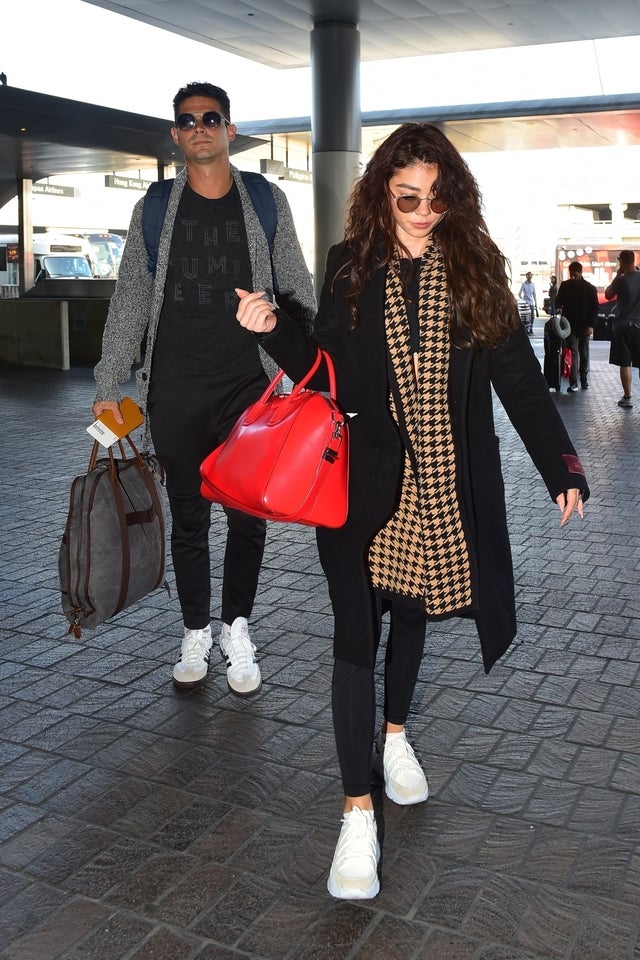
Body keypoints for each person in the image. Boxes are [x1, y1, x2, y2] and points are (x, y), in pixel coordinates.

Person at [235, 123, 589, 901]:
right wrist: (274, 330)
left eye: (437, 197)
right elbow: (321, 367)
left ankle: (394, 736)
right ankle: (355, 812)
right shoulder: (350, 267)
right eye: (407, 197)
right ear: (380, 193)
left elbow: (519, 378)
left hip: (443, 482)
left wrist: (561, 465)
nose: (424, 211)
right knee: (356, 632)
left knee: (414, 611)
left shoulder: (477, 268)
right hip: (358, 482)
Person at [92, 81, 316, 695]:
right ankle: (195, 629)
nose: (200, 128)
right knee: (188, 518)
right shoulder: (156, 208)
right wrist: (112, 379)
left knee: (248, 517)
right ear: (175, 134)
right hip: (175, 388)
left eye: (211, 118)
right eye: (188, 121)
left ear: (229, 129)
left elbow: (296, 281)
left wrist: (313, 361)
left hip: (250, 387)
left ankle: (236, 627)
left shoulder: (265, 201)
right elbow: (133, 298)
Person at [554, 261, 598, 392]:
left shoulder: (589, 288)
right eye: (571, 274)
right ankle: (573, 382)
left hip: (583, 325)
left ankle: (583, 379)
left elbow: (595, 308)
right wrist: (558, 307)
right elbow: (558, 301)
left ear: (580, 272)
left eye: (575, 274)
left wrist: (591, 325)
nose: (573, 277)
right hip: (570, 325)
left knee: (583, 352)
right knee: (573, 352)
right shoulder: (566, 286)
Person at [605, 249, 640, 409]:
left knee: (625, 363)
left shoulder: (622, 279)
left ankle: (627, 397)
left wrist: (618, 275)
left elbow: (607, 294)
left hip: (624, 326)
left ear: (622, 262)